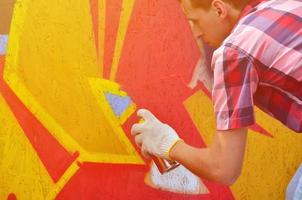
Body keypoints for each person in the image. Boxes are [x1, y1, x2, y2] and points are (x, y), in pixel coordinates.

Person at [131, 0, 302, 187]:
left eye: (195, 21)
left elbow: (223, 169)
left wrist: (166, 143)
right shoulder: (283, 4)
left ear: (219, 9)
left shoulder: (233, 53)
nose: (196, 32)